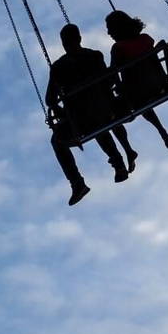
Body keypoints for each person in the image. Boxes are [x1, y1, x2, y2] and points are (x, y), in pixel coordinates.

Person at [47, 24, 132, 206]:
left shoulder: (58, 67)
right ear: (79, 38)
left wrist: (62, 113)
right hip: (105, 111)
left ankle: (77, 182)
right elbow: (109, 81)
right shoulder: (95, 56)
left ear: (63, 43)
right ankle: (118, 163)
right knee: (99, 121)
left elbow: (50, 100)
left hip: (81, 121)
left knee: (58, 140)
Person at [105, 11, 168, 157]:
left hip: (134, 96)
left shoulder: (119, 48)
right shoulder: (146, 39)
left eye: (110, 28)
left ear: (118, 28)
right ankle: (162, 131)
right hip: (158, 85)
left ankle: (128, 150)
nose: (108, 32)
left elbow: (112, 76)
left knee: (109, 115)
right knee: (142, 95)